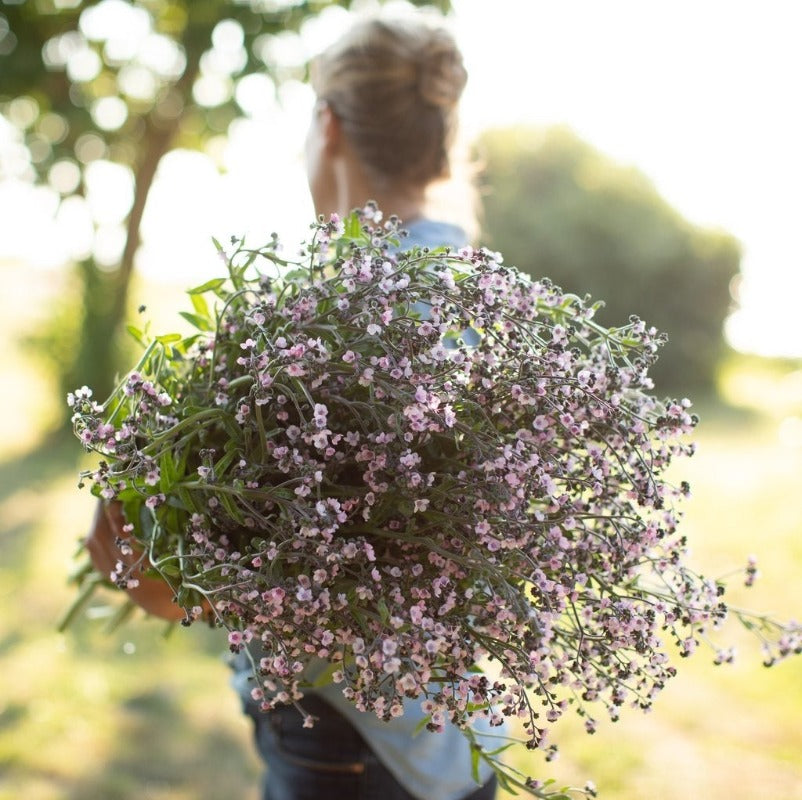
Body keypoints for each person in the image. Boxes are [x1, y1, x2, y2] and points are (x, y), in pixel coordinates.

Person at [86, 12, 498, 800]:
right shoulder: (499, 310)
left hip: (352, 752)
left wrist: (155, 565)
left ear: (328, 124)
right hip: (462, 750)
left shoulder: (320, 326)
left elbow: (195, 587)